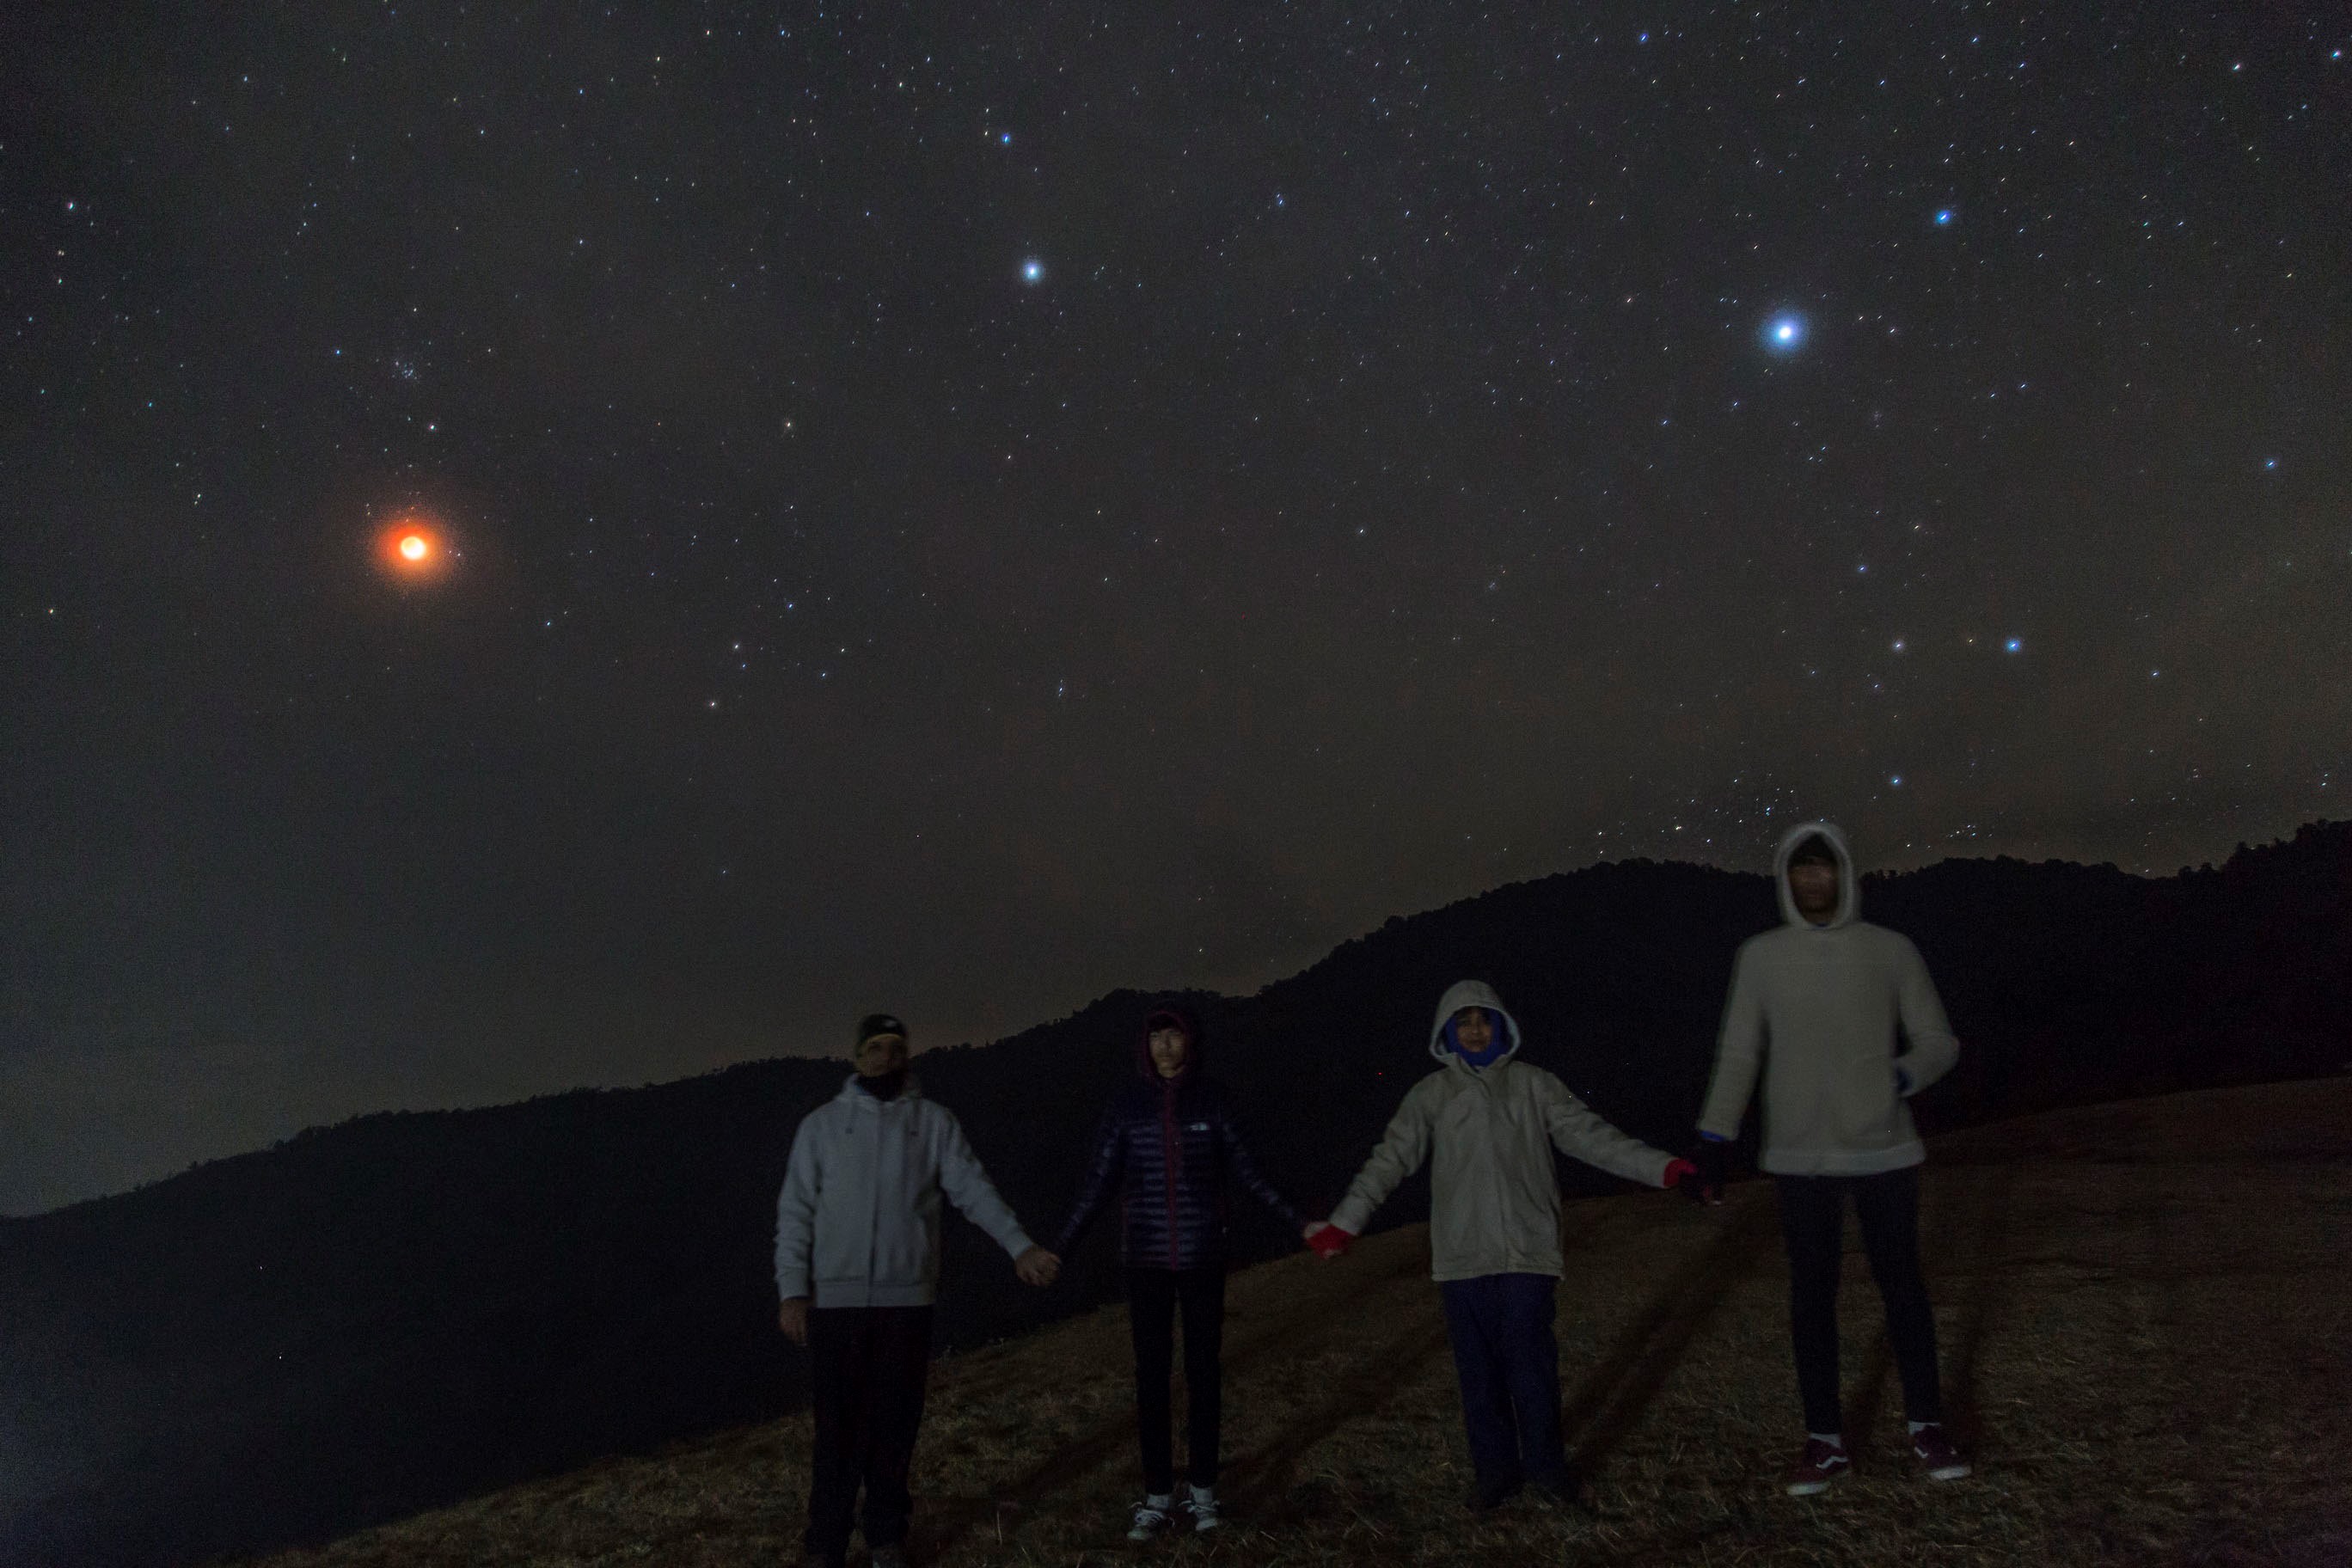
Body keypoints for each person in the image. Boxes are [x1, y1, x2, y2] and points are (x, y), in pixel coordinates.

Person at [1311, 980, 1704, 1511]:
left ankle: (1546, 1469)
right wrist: (1345, 1223)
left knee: (1532, 1367)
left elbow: (1591, 1135)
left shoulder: (1534, 1085)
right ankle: (1495, 1475)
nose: (1475, 1030)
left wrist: (1665, 1168)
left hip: (1527, 1251)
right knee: (1480, 1377)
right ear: (1447, 1030)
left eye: (1484, 1019)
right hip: (1462, 1259)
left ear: (1501, 1025)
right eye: (1464, 1021)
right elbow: (1390, 1160)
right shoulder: (1431, 1094)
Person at [1689, 822, 1972, 1495]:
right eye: (1800, 870)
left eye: (1823, 869)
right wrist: (1713, 1139)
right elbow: (1738, 1053)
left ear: (1844, 874)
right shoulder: (1760, 956)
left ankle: (1926, 1427)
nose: (1812, 881)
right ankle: (1824, 1442)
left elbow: (1938, 1040)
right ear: (1785, 880)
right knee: (1811, 1299)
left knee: (1903, 1288)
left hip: (1883, 1149)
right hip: (1799, 1156)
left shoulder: (1891, 951)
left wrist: (1898, 1078)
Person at [774, 1014, 1061, 1568]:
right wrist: (792, 1290)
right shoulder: (822, 1127)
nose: (886, 1057)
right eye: (875, 1048)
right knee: (836, 1432)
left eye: (895, 1047)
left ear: (908, 1056)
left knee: (895, 1426)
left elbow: (973, 1189)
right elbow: (795, 1214)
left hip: (907, 1302)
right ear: (857, 1058)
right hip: (835, 1304)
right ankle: (825, 1545)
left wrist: (1019, 1245)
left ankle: (886, 1538)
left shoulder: (933, 1123)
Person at [1051, 1004, 1326, 1540]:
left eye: (1173, 1035)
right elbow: (1098, 1182)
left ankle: (1203, 1492)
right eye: (1156, 1037)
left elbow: (1250, 1171)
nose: (1165, 1046)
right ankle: (1157, 1494)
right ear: (1145, 1046)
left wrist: (1302, 1223)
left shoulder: (1214, 1099)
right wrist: (1061, 1247)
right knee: (1151, 1378)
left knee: (1204, 1374)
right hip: (1145, 1260)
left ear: (1189, 1041)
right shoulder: (1126, 1106)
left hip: (1203, 1255)